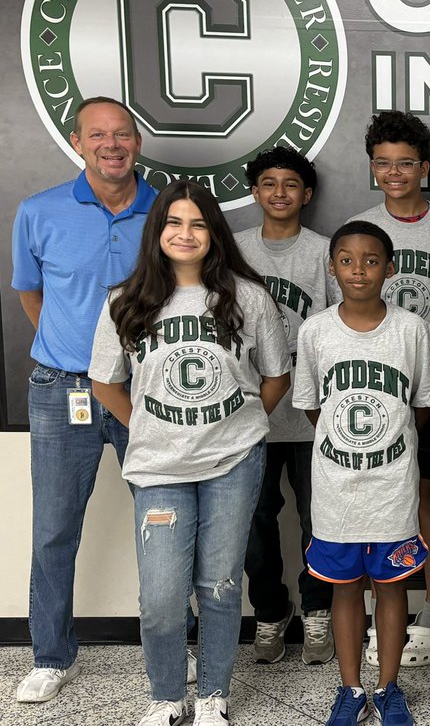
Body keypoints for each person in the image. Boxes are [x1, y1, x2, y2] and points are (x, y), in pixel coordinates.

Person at [88, 179, 292, 726]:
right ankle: (165, 694)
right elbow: (105, 383)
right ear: (157, 232)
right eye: (174, 223)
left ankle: (212, 696)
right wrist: (149, 429)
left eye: (198, 223)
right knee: (161, 594)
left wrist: (242, 425)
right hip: (158, 467)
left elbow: (275, 376)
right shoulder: (125, 301)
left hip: (233, 462)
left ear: (214, 233)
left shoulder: (248, 297)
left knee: (220, 583)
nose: (186, 233)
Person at [11, 96, 157, 703]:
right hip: (61, 390)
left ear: (138, 143)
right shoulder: (38, 211)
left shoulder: (168, 214)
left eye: (122, 134)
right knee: (52, 529)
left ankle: (169, 652)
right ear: (77, 142)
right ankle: (51, 656)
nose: (111, 145)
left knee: (164, 524)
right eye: (98, 135)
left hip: (147, 392)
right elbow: (31, 295)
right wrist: (77, 352)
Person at [293, 221, 430, 726]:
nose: (359, 270)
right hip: (336, 490)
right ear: (332, 267)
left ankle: (389, 686)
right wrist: (350, 446)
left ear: (390, 268)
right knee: (345, 587)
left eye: (371, 260)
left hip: (392, 487)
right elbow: (314, 408)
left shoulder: (410, 330)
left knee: (393, 588)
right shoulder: (314, 330)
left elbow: (420, 405)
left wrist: (384, 445)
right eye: (347, 260)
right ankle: (351, 689)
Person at [349, 111, 430, 666]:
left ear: (424, 167)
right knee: (377, 495)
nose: (394, 172)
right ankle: (382, 606)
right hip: (376, 391)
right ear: (372, 168)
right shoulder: (358, 227)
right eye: (383, 163)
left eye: (405, 163)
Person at [235, 147, 338, 666]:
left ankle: (317, 610)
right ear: (254, 192)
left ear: (307, 194)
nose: (279, 192)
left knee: (319, 518)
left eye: (291, 183)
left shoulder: (325, 253)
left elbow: (340, 331)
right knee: (254, 521)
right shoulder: (230, 252)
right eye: (269, 183)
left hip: (310, 413)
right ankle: (271, 612)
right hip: (244, 416)